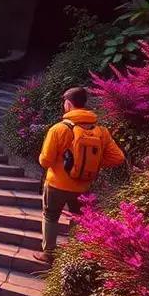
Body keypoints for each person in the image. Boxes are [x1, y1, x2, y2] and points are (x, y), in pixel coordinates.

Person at [33, 87, 124, 263]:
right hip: (84, 184)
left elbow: (45, 161)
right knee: (79, 218)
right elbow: (118, 158)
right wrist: (93, 163)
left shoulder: (59, 129)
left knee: (51, 216)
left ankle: (49, 253)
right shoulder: (101, 131)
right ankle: (74, 255)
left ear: (68, 104)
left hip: (56, 185)